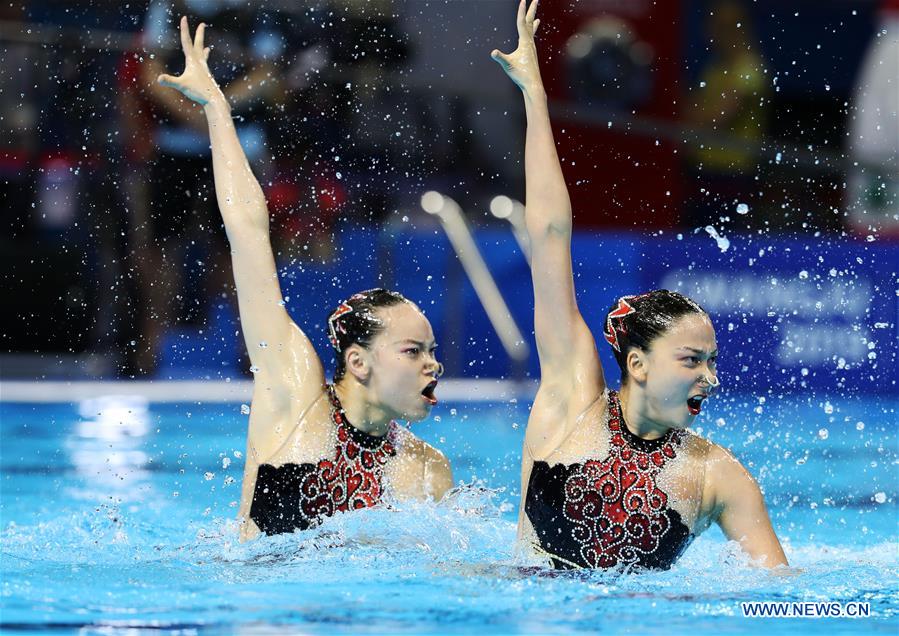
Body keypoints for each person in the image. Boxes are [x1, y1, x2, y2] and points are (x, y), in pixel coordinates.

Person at [491, 0, 787, 571]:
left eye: (712, 361)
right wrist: (535, 97)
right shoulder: (569, 402)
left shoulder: (718, 476)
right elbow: (549, 235)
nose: (711, 377)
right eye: (693, 359)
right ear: (639, 363)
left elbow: (785, 600)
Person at [156, 17, 453, 541]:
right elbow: (248, 231)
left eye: (429, 350)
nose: (434, 363)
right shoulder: (294, 393)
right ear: (357, 362)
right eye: (413, 350)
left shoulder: (428, 471)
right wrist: (217, 109)